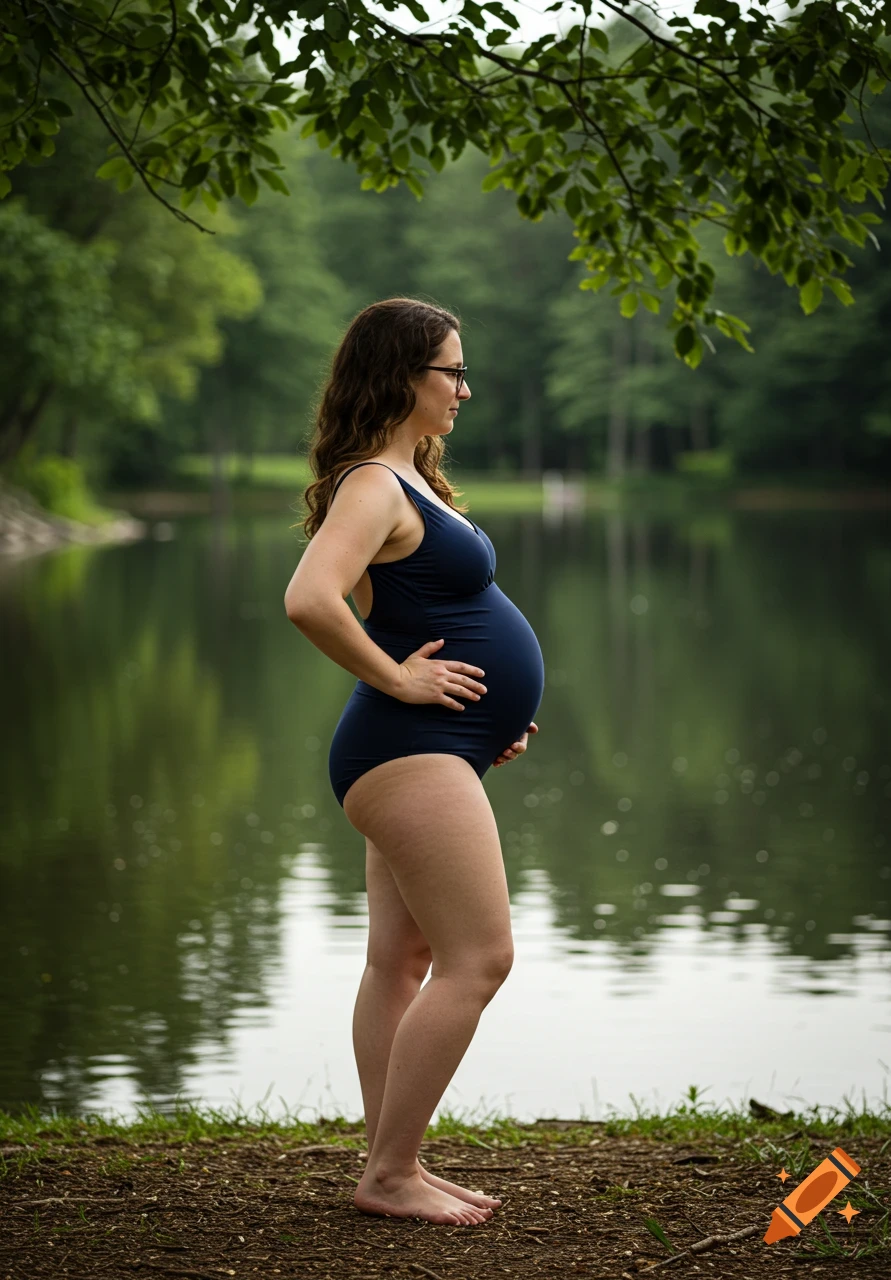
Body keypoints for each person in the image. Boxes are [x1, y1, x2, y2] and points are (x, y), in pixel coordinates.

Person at [284, 297, 544, 1226]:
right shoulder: (374, 486)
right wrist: (400, 682)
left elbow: (420, 611)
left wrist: (488, 718)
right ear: (403, 376)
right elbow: (310, 598)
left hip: (438, 744)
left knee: (401, 960)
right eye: (451, 371)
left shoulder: (410, 479)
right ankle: (390, 1174)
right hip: (407, 743)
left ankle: (396, 1162)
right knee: (480, 958)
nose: (465, 388)